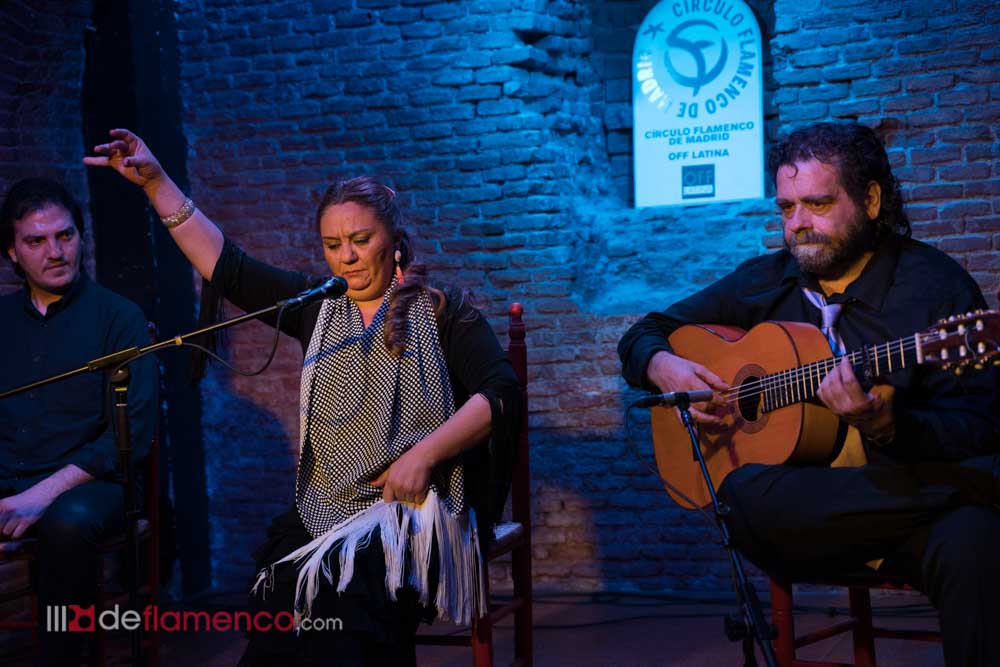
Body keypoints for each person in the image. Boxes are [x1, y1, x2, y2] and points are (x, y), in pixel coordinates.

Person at [86, 128, 520, 666]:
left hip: (414, 512)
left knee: (347, 595)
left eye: (361, 240)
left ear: (394, 240)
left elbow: (500, 393)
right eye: (333, 246)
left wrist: (422, 455)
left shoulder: (443, 311)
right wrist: (156, 183)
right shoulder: (319, 308)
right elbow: (227, 267)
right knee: (283, 600)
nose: (347, 258)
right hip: (327, 504)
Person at [618, 122, 1000, 665]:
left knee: (975, 543)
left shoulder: (935, 288)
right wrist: (664, 365)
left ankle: (967, 498)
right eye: (786, 208)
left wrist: (891, 428)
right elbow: (644, 333)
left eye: (818, 204)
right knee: (741, 493)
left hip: (905, 506)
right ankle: (974, 492)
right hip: (810, 519)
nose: (798, 224)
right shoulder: (764, 280)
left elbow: (983, 426)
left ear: (871, 200)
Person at [0, 177, 156, 665]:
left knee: (65, 524)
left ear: (81, 238)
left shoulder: (119, 317)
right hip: (11, 475)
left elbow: (132, 434)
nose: (55, 252)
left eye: (65, 235)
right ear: (13, 253)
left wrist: (42, 494)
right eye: (36, 241)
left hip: (96, 482)